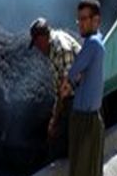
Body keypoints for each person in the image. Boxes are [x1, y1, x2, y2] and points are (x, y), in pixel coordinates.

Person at [59, 0, 106, 176]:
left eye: (86, 19)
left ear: (97, 20)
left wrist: (66, 85)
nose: (81, 23)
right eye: (79, 19)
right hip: (94, 119)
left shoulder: (90, 45)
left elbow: (72, 74)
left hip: (84, 121)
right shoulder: (98, 44)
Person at [29, 17, 81, 160]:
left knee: (63, 133)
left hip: (83, 93)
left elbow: (66, 86)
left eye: (37, 44)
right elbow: (60, 89)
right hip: (71, 93)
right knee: (57, 133)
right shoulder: (51, 50)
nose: (38, 50)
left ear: (42, 38)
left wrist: (56, 118)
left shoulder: (61, 47)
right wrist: (54, 117)